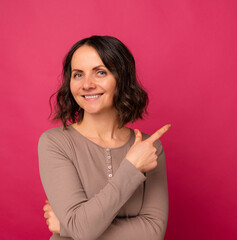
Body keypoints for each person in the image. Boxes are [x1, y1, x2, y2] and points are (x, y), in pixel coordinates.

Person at [38, 35, 170, 240]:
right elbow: (82, 228)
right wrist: (132, 167)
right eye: (78, 75)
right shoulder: (55, 143)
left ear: (122, 79)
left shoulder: (149, 148)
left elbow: (153, 232)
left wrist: (66, 228)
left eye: (100, 73)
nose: (87, 84)